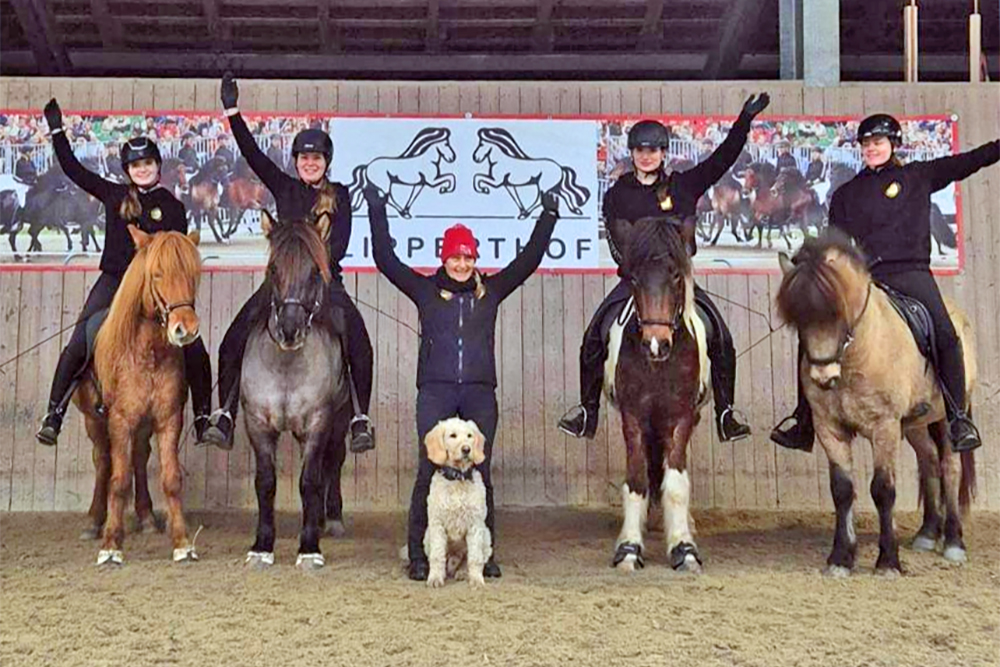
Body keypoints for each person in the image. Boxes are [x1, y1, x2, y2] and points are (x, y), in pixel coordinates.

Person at [771, 113, 999, 453]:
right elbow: (837, 243)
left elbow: (969, 161)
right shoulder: (846, 193)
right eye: (866, 144)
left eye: (877, 142)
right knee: (814, 335)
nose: (871, 149)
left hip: (911, 273)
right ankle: (804, 421)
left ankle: (957, 417)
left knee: (946, 334)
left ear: (893, 144)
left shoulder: (918, 176)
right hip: (866, 280)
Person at [365, 184, 558, 581]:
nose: (460, 263)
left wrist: (549, 215)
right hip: (435, 390)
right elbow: (385, 259)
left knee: (481, 472)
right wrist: (377, 208)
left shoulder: (491, 292)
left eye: (467, 256)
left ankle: (484, 555)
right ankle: (420, 556)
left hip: (479, 392)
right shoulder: (425, 290)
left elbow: (528, 261)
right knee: (427, 469)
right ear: (444, 258)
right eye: (454, 256)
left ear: (475, 259)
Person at [558, 94, 771, 442]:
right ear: (632, 153)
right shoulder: (618, 193)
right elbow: (615, 238)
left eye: (653, 150)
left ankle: (726, 412)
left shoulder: (683, 185)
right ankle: (587, 411)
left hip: (677, 282)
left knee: (722, 337)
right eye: (641, 150)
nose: (647, 155)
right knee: (593, 336)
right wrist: (635, 271)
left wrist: (743, 122)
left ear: (663, 153)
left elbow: (721, 161)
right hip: (637, 282)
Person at [203, 74, 376, 453]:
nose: (309, 163)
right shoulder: (283, 186)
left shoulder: (341, 195)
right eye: (304, 157)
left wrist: (314, 267)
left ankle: (360, 417)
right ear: (297, 161)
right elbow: (252, 154)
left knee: (358, 339)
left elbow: (341, 244)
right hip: (281, 285)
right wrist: (232, 112)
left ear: (326, 162)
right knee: (233, 337)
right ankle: (227, 411)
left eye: (316, 158)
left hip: (323, 283)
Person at [35, 98, 214, 447]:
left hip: (156, 289)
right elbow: (74, 169)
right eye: (136, 165)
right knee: (81, 339)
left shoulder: (173, 207)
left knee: (194, 346)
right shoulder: (113, 194)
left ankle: (204, 417)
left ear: (157, 166)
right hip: (115, 280)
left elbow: (174, 254)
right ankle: (53, 412)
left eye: (148, 163)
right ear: (127, 170)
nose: (143, 169)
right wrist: (58, 131)